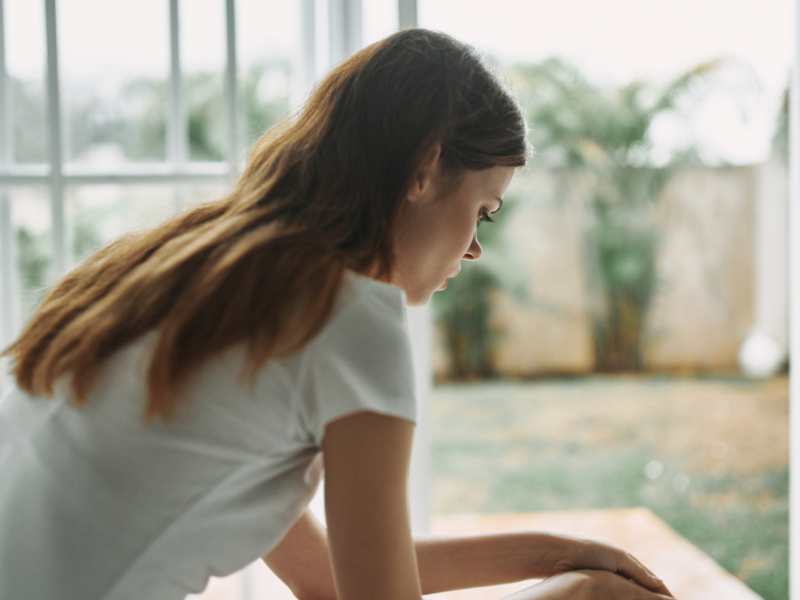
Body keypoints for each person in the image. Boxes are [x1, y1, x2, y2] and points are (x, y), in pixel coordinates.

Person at [0, 28, 674, 600]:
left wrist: (557, 554)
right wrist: (579, 593)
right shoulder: (350, 315)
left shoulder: (200, 268)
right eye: (483, 210)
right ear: (424, 166)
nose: (472, 247)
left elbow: (325, 576)